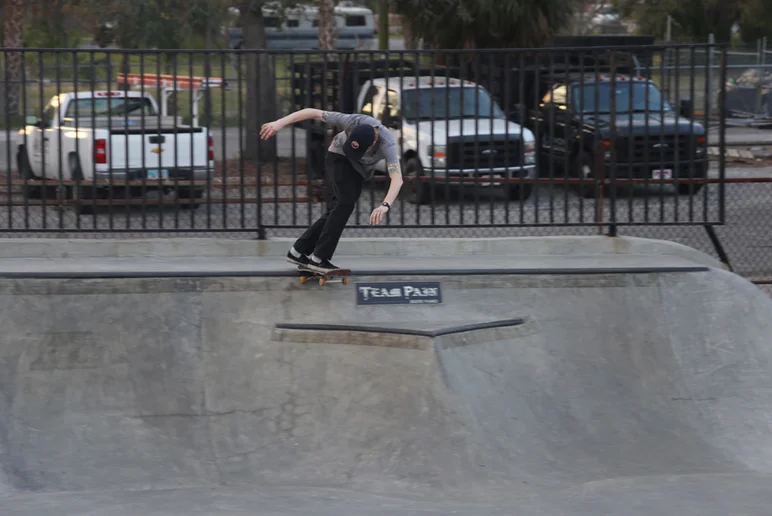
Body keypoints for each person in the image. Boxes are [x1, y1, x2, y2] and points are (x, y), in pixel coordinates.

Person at [260, 108, 404, 273]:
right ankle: (319, 258)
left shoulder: (388, 144)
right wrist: (279, 123)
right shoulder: (351, 120)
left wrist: (385, 205)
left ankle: (298, 251)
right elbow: (312, 112)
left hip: (359, 171)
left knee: (339, 207)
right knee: (345, 204)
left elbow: (397, 178)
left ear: (373, 143)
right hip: (339, 157)